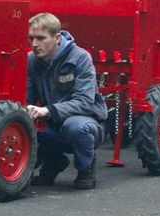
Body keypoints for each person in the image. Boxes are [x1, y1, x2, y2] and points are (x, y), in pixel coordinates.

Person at [26, 13, 108, 190]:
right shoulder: (31, 60)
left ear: (57, 38)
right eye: (31, 38)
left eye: (41, 38)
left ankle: (85, 168)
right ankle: (54, 161)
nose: (34, 44)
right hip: (53, 122)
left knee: (76, 126)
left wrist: (47, 110)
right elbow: (26, 97)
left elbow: (85, 103)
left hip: (87, 120)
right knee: (24, 122)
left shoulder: (80, 57)